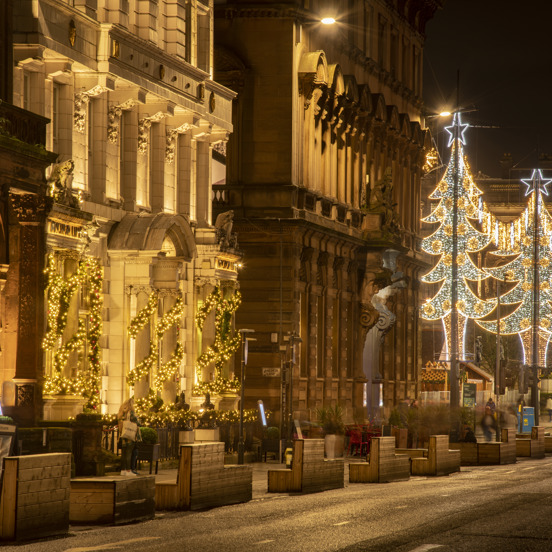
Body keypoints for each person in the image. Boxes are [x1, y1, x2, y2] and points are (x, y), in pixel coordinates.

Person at [118, 397, 138, 476]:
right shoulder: (131, 413)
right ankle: (129, 471)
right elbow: (137, 422)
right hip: (130, 435)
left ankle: (123, 470)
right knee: (129, 453)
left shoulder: (121, 412)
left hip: (123, 434)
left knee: (123, 453)